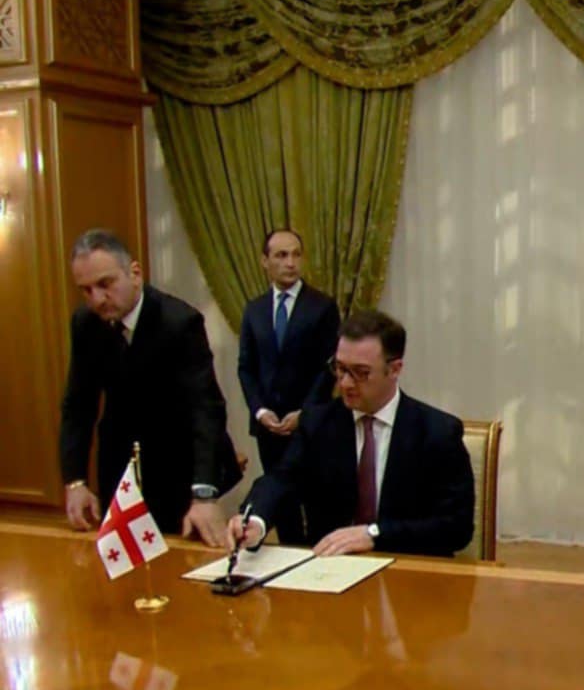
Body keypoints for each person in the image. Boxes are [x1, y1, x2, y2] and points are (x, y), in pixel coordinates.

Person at [227, 310, 474, 556]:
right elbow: (281, 479)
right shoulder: (318, 422)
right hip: (330, 565)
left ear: (395, 369)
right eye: (340, 368)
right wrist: (256, 520)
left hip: (407, 566)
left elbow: (456, 527)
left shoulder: (437, 432)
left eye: (360, 372)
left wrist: (375, 535)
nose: (345, 383)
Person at [59, 228, 241, 546]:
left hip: (177, 463)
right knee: (121, 560)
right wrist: (75, 481)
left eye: (105, 284)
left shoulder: (180, 322)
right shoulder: (85, 323)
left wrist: (204, 494)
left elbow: (206, 410)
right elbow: (78, 406)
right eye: (86, 290)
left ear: (135, 273)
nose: (97, 299)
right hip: (119, 466)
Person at [237, 229, 340, 542]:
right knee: (281, 504)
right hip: (269, 427)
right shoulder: (254, 310)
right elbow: (246, 368)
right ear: (264, 261)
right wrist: (260, 411)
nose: (290, 263)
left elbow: (329, 368)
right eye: (281, 255)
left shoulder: (322, 306)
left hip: (310, 424)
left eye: (296, 254)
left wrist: (306, 413)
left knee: (316, 502)